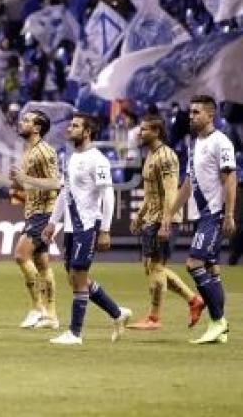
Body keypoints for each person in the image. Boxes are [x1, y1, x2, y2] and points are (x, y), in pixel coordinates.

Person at [44, 113, 132, 345]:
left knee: (79, 276)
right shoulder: (71, 158)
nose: (69, 129)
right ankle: (117, 313)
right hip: (72, 228)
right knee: (75, 278)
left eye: (75, 126)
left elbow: (108, 194)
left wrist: (104, 229)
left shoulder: (98, 159)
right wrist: (54, 221)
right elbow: (65, 192)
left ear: (87, 131)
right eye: (70, 125)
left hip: (88, 225)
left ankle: (75, 333)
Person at [0, 110, 60, 330]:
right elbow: (26, 185)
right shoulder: (29, 151)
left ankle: (38, 309)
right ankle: (51, 316)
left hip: (43, 212)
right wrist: (1, 179)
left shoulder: (45, 151)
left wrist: (25, 178)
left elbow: (55, 183)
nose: (21, 123)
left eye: (27, 120)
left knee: (20, 255)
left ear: (37, 128)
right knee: (42, 263)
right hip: (34, 211)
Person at [170, 95, 236, 344]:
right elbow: (188, 182)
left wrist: (229, 214)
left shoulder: (222, 142)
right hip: (202, 214)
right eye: (190, 112)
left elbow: (230, 179)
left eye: (197, 112)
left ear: (211, 115)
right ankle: (220, 328)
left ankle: (218, 321)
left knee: (193, 263)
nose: (191, 116)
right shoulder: (195, 143)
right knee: (210, 268)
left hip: (215, 212)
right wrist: (171, 212)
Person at [128, 115, 203, 331]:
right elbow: (150, 194)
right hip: (152, 218)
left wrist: (166, 222)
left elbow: (172, 191)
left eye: (144, 130)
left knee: (156, 267)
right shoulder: (151, 155)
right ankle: (193, 300)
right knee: (151, 267)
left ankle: (154, 317)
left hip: (163, 218)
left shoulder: (166, 157)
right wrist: (140, 216)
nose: (140, 133)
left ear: (157, 132)